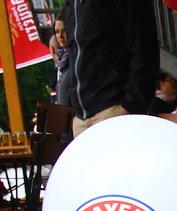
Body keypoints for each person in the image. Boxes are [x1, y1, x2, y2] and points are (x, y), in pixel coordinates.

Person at [62, 0, 159, 137]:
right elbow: (77, 52)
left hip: (114, 110)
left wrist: (131, 106)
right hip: (81, 119)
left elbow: (145, 47)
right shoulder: (71, 4)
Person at [51, 17, 71, 106]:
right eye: (57, 32)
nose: (60, 35)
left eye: (64, 30)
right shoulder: (59, 64)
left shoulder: (78, 58)